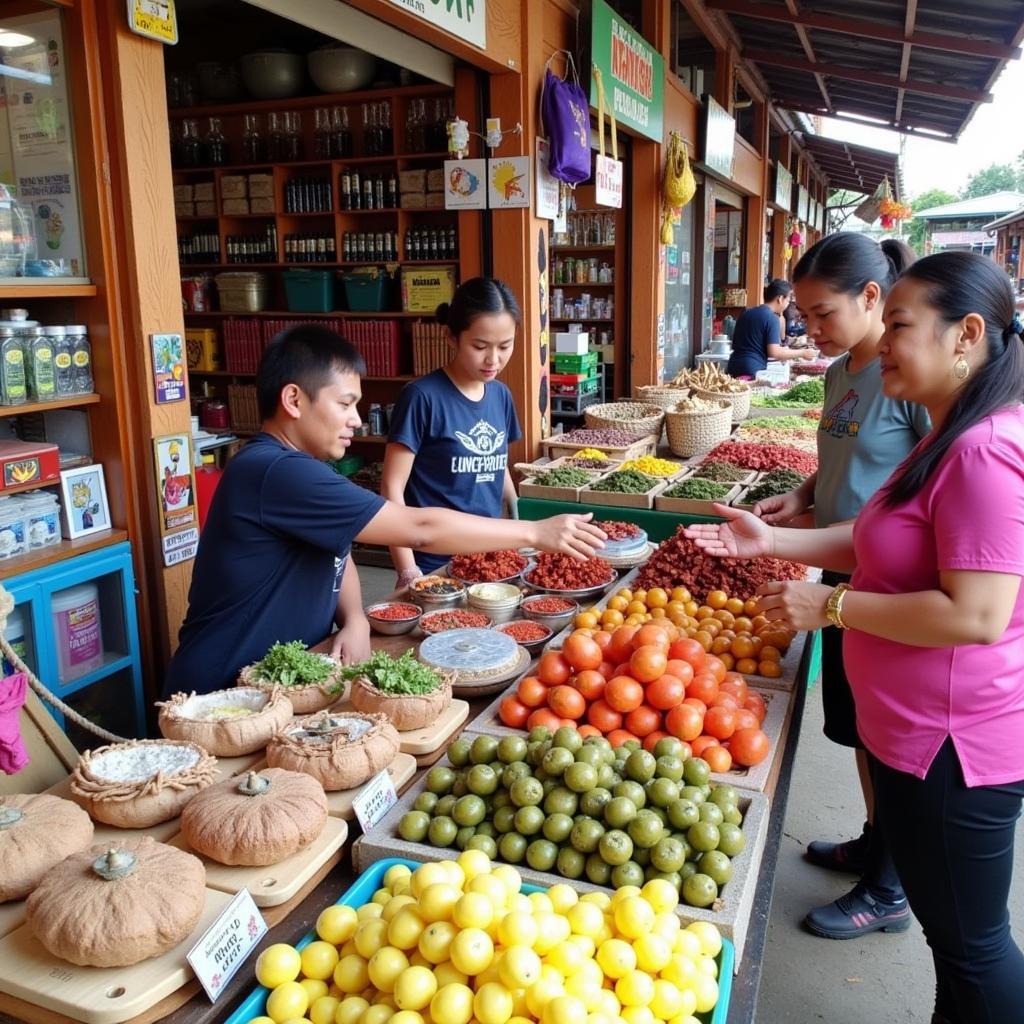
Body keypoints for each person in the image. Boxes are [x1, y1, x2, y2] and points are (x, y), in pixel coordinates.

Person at [686, 251, 1024, 1024]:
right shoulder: (947, 435)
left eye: (900, 326)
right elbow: (877, 544)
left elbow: (977, 614)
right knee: (960, 948)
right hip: (919, 734)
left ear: (966, 335)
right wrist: (769, 545)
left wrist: (832, 611)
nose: (885, 345)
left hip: (954, 745)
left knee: (975, 950)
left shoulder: (982, 451)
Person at [164, 325, 605, 695]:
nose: (357, 419)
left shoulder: (303, 469)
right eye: (345, 403)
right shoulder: (273, 470)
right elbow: (419, 528)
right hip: (223, 687)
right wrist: (532, 533)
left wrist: (354, 617)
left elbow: (338, 549)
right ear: (294, 400)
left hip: (286, 676)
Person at [754, 234, 930, 940]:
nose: (811, 330)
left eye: (823, 313)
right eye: (804, 315)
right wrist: (800, 497)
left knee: (887, 734)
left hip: (886, 581)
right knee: (858, 726)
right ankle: (873, 842)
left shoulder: (907, 378)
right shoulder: (839, 374)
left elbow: (929, 484)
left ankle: (889, 887)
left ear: (870, 297)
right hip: (836, 559)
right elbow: (842, 460)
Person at [383, 278, 521, 588]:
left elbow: (498, 468)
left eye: (505, 346)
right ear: (450, 337)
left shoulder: (500, 395)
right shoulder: (421, 397)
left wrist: (516, 524)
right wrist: (408, 572)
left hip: (489, 559)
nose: (493, 359)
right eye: (480, 346)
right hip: (435, 565)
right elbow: (392, 491)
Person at [726, 279, 811, 379]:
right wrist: (803, 353)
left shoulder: (746, 312)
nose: (788, 304)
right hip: (751, 370)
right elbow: (774, 352)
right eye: (788, 300)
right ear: (780, 299)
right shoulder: (772, 318)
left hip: (733, 366)